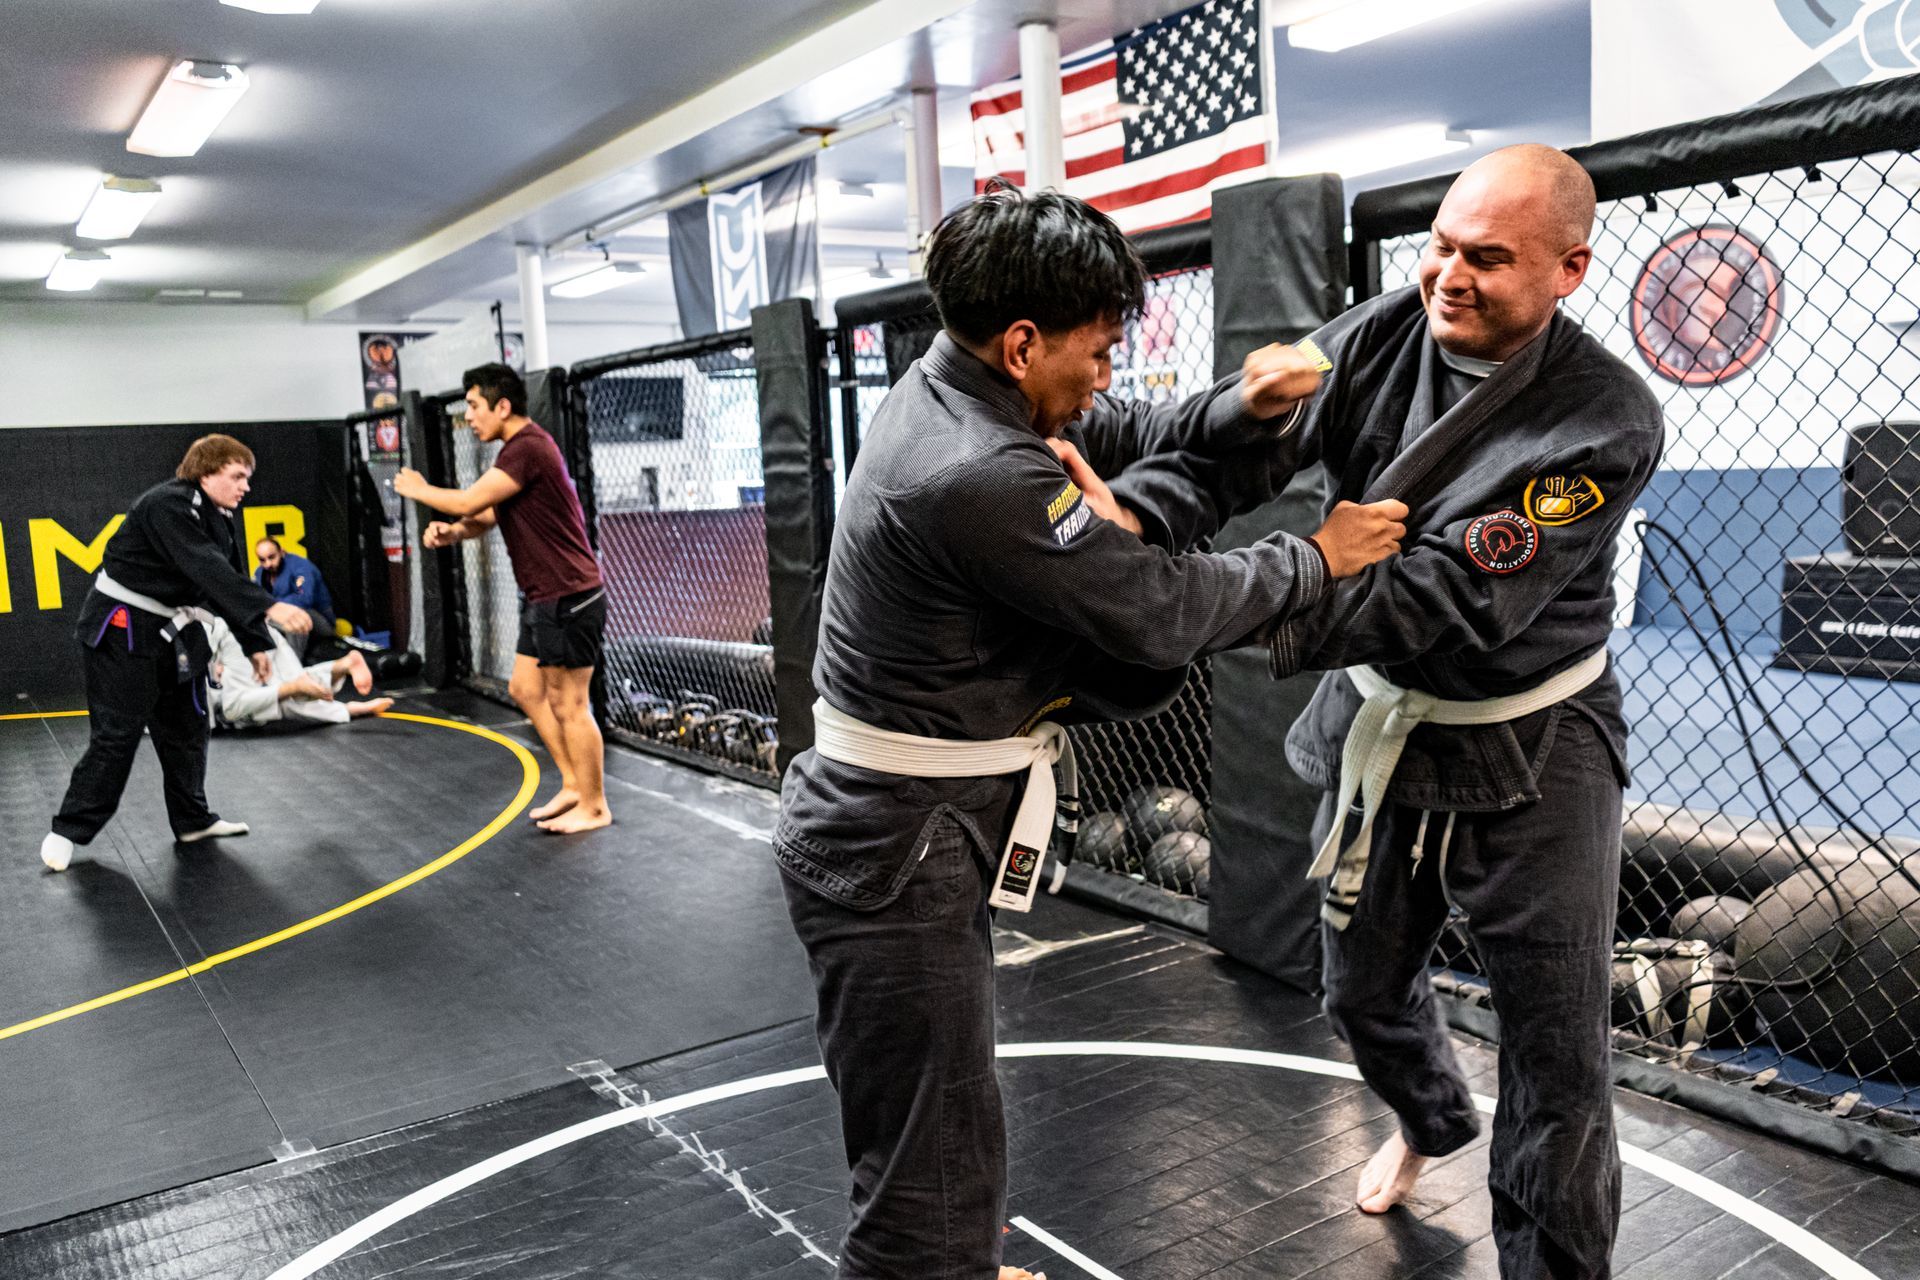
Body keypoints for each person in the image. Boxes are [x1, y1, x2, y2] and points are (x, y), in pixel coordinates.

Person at [775, 185, 1408, 1280]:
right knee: (922, 1145)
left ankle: (954, 1266)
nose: (1108, 375)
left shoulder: (965, 388)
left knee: (949, 1105)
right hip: (896, 834)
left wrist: (1247, 405)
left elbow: (1140, 429)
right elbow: (1162, 606)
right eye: (1098, 350)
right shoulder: (978, 470)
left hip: (910, 824)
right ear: (1023, 343)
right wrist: (1320, 556)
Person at [1132, 145, 1664, 1277]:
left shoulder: (1605, 417)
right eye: (1438, 246)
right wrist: (1131, 533)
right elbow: (1246, 447)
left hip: (1536, 745)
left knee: (1557, 1061)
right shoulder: (1381, 329)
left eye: (1486, 258)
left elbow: (1448, 593)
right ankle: (1431, 1116)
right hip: (1383, 724)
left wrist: (1216, 605)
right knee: (1361, 991)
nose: (1447, 276)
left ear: (1570, 269)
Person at [40, 434, 314, 872]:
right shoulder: (166, 505)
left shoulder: (220, 518)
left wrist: (257, 643)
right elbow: (202, 565)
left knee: (189, 726)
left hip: (177, 632)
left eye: (248, 478)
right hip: (122, 630)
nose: (246, 486)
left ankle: (192, 819)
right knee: (117, 736)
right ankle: (67, 829)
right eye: (237, 476)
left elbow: (224, 579)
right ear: (206, 472)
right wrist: (270, 604)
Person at [393, 363, 611, 834]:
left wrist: (419, 490)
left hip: (568, 595)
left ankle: (594, 805)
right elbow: (488, 512)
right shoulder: (518, 454)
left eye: (474, 406)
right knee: (525, 690)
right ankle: (573, 785)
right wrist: (453, 532)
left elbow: (471, 500)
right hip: (544, 595)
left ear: (503, 406)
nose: (469, 417)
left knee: (571, 704)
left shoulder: (527, 447)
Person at [204, 615, 392, 729]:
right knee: (277, 694)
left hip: (229, 636)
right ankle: (341, 670)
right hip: (248, 628)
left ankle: (339, 703)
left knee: (235, 707)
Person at [254, 536, 336, 653]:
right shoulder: (260, 573)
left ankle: (294, 667)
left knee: (295, 617)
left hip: (319, 620)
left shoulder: (301, 567)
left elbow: (304, 599)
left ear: (281, 552)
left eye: (272, 557)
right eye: (262, 560)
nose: (268, 564)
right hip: (279, 617)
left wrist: (272, 606)